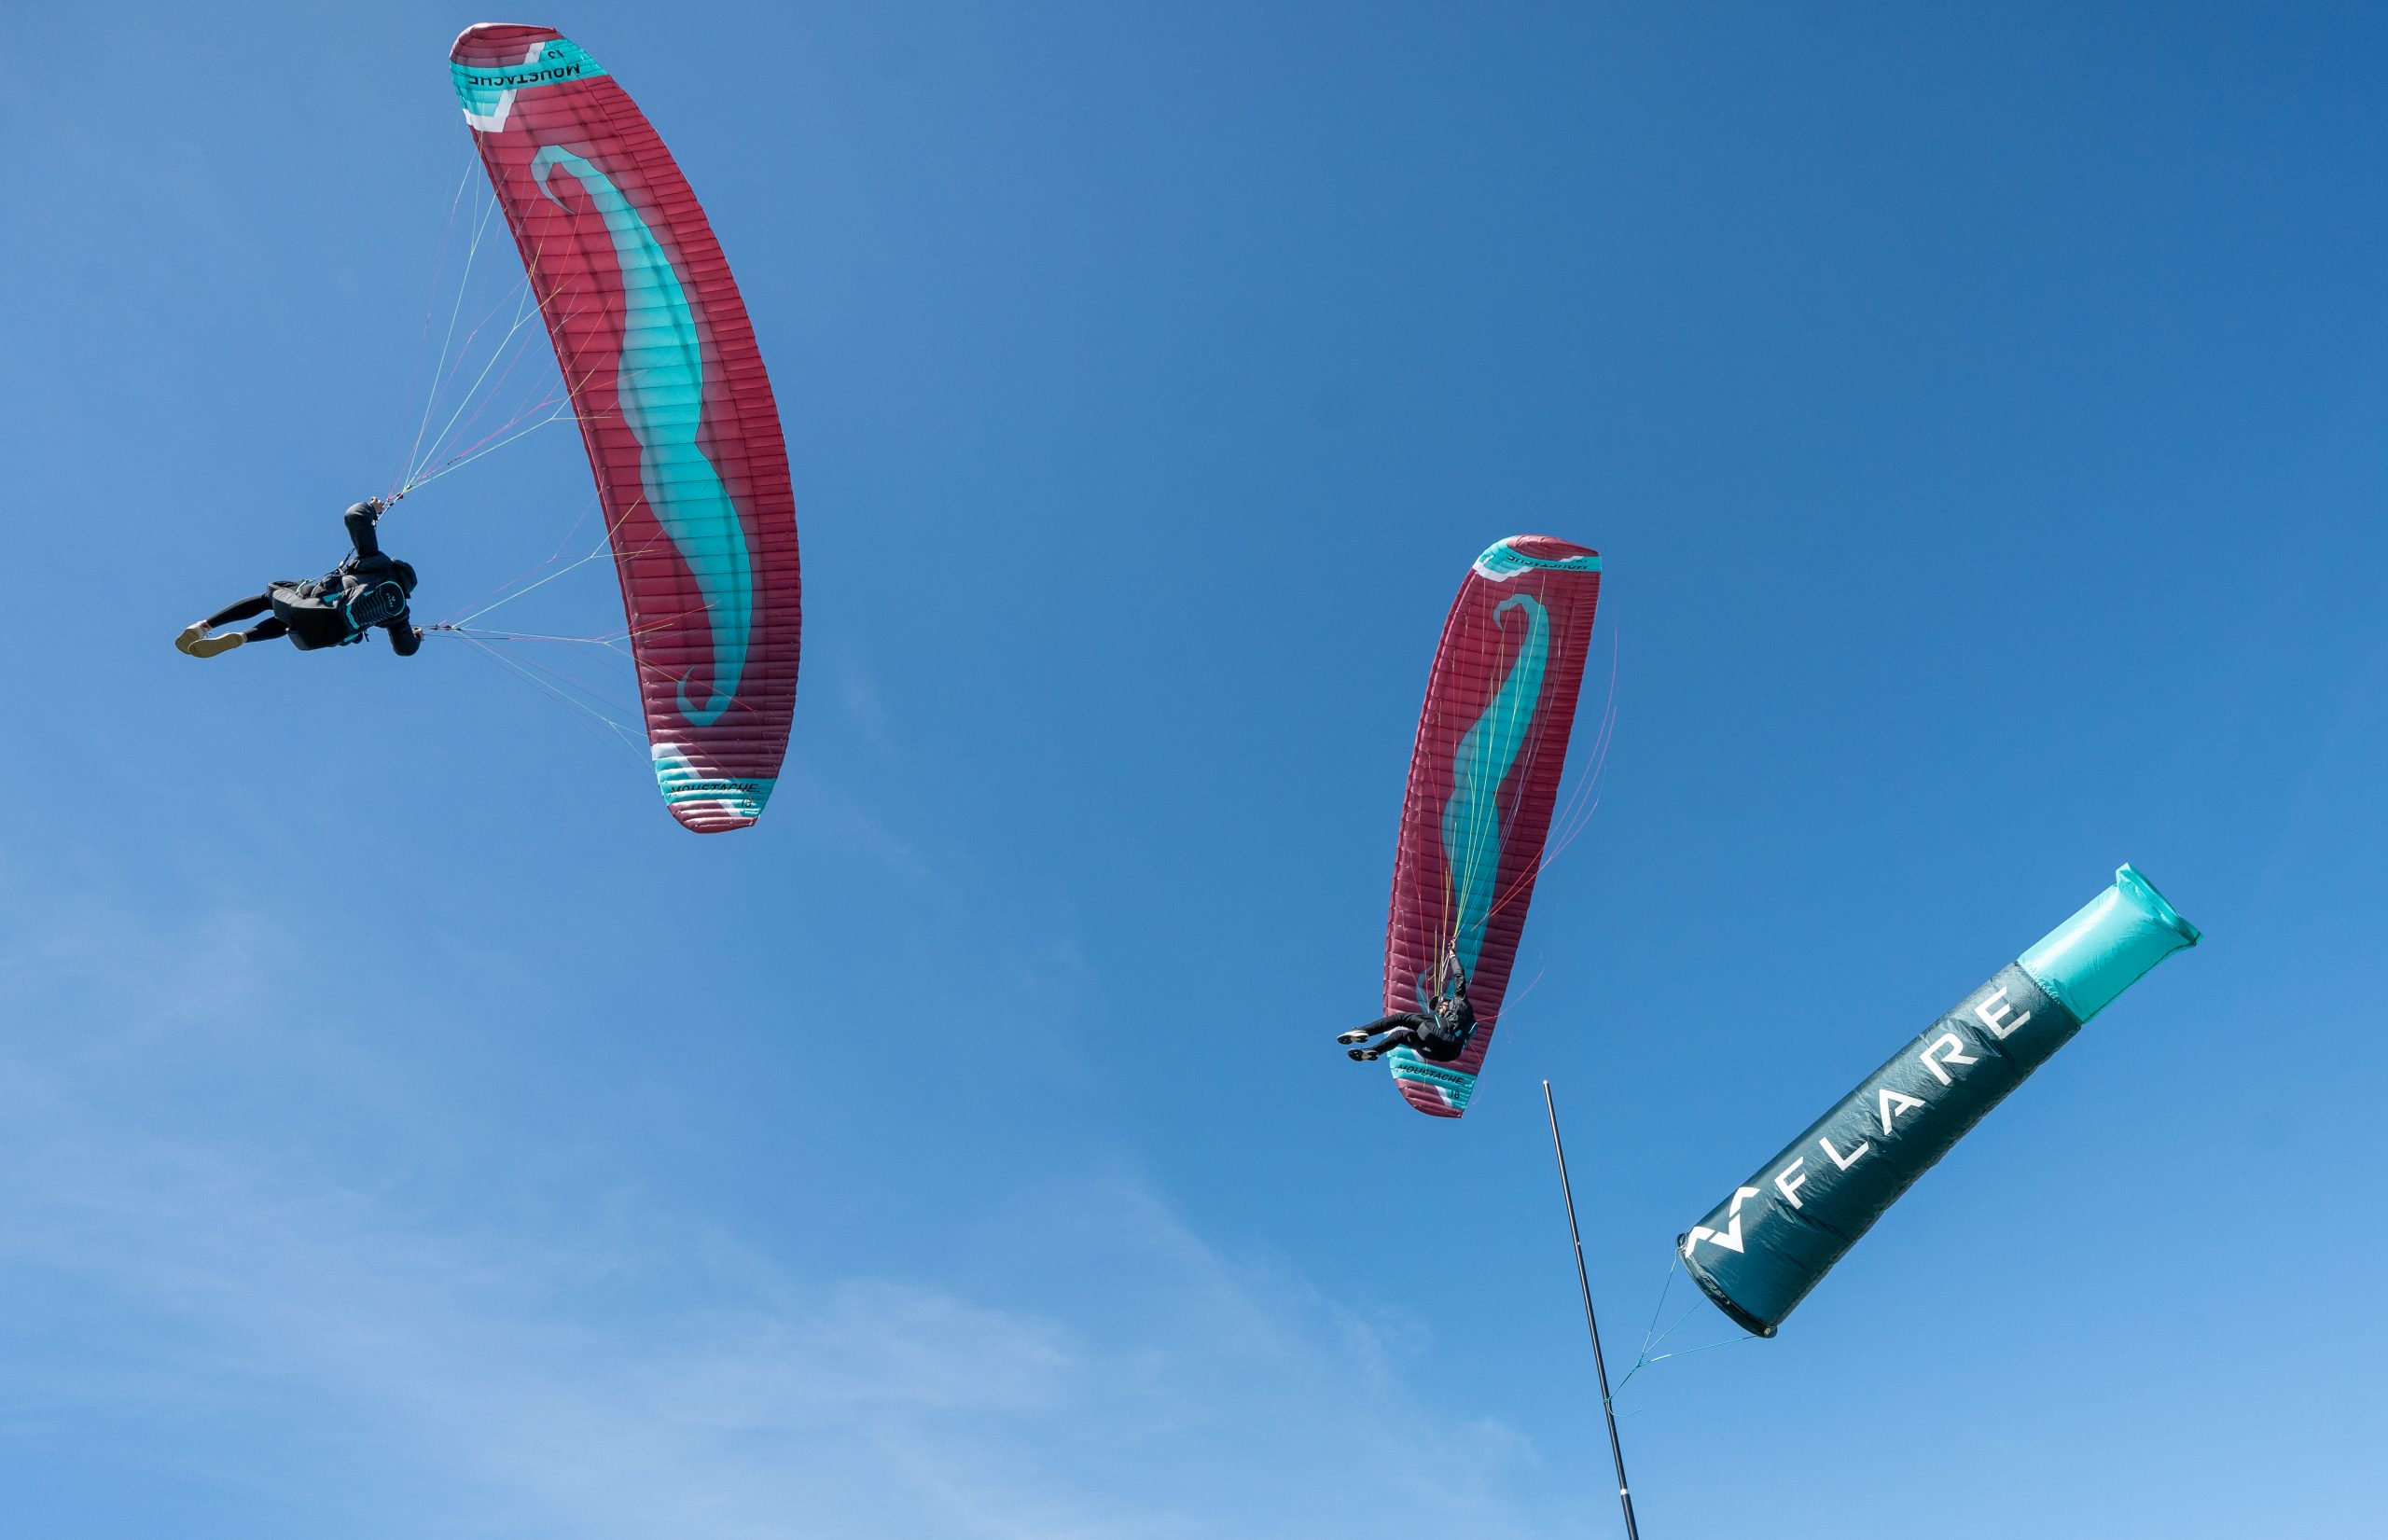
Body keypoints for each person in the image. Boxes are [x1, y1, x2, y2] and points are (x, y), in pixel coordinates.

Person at [178, 500, 423, 659]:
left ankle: (204, 626)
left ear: (396, 566)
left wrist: (372, 509)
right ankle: (243, 638)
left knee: (270, 597)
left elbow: (354, 516)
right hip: (320, 638)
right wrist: (416, 637)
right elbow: (405, 648)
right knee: (287, 623)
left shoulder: (377, 563)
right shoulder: (399, 614)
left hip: (315, 603)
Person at [1339, 941, 1478, 1062]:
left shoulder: (1460, 1002)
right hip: (1442, 1053)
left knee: (1402, 1018)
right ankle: (1372, 1052)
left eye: (1440, 1004)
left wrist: (1452, 955)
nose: (1438, 1008)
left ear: (1447, 1002)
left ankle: (1362, 1031)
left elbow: (1459, 976)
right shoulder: (1443, 1019)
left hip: (1446, 1040)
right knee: (1401, 1036)